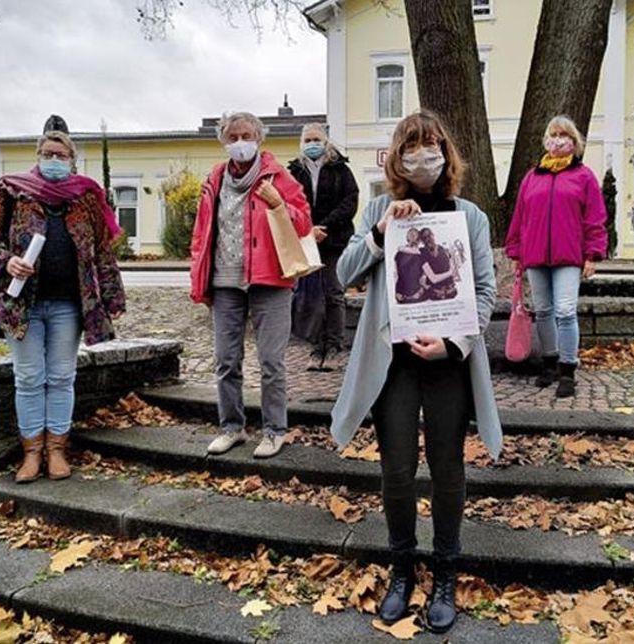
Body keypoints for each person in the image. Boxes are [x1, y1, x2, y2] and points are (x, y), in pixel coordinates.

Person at [330, 110, 501, 634]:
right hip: (394, 366)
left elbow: (486, 291)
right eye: (411, 146)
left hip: (448, 362)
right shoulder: (378, 208)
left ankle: (445, 572)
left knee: (448, 470)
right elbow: (343, 273)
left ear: (446, 154)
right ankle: (402, 569)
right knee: (397, 471)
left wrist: (455, 343)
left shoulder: (469, 216)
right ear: (397, 157)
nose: (423, 156)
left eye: (432, 146)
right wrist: (381, 232)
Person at [0, 114, 126, 484]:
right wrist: (7, 262)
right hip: (23, 305)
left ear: (72, 159)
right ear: (38, 156)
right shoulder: (13, 192)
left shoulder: (87, 197)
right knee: (28, 377)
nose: (54, 160)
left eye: (60, 155)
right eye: (48, 154)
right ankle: (31, 453)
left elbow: (102, 251)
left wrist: (111, 296)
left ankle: (56, 450)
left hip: (69, 305)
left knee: (60, 377)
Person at [190, 112, 312, 459]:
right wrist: (198, 277)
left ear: (259, 139)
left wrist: (279, 203)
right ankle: (232, 427)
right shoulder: (214, 179)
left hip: (270, 280)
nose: (240, 142)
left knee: (271, 362)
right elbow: (202, 232)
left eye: (247, 135)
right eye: (233, 137)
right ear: (223, 141)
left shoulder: (278, 176)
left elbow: (304, 223)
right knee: (226, 360)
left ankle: (274, 430)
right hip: (225, 281)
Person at [505, 115, 607, 398]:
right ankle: (549, 363)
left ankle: (568, 369)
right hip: (535, 255)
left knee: (565, 311)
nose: (558, 140)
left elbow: (595, 218)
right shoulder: (532, 177)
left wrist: (593, 254)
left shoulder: (584, 176)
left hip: (569, 256)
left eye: (564, 135)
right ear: (546, 140)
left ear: (574, 141)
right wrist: (515, 251)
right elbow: (520, 216)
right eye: (554, 134)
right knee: (543, 311)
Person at [287, 123, 359, 371]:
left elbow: (350, 201)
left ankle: (334, 348)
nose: (312, 144)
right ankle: (316, 348)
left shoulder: (340, 169)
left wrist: (324, 226)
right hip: (306, 240)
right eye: (307, 140)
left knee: (334, 294)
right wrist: (308, 230)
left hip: (334, 239)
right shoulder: (294, 171)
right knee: (311, 296)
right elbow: (288, 203)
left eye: (316, 139)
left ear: (326, 142)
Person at [394, 227, 426, 304]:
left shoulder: (421, 253)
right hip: (402, 292)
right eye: (411, 234)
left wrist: (420, 290)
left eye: (415, 235)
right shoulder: (399, 254)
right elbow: (396, 273)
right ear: (407, 237)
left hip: (415, 292)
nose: (413, 237)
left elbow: (424, 276)